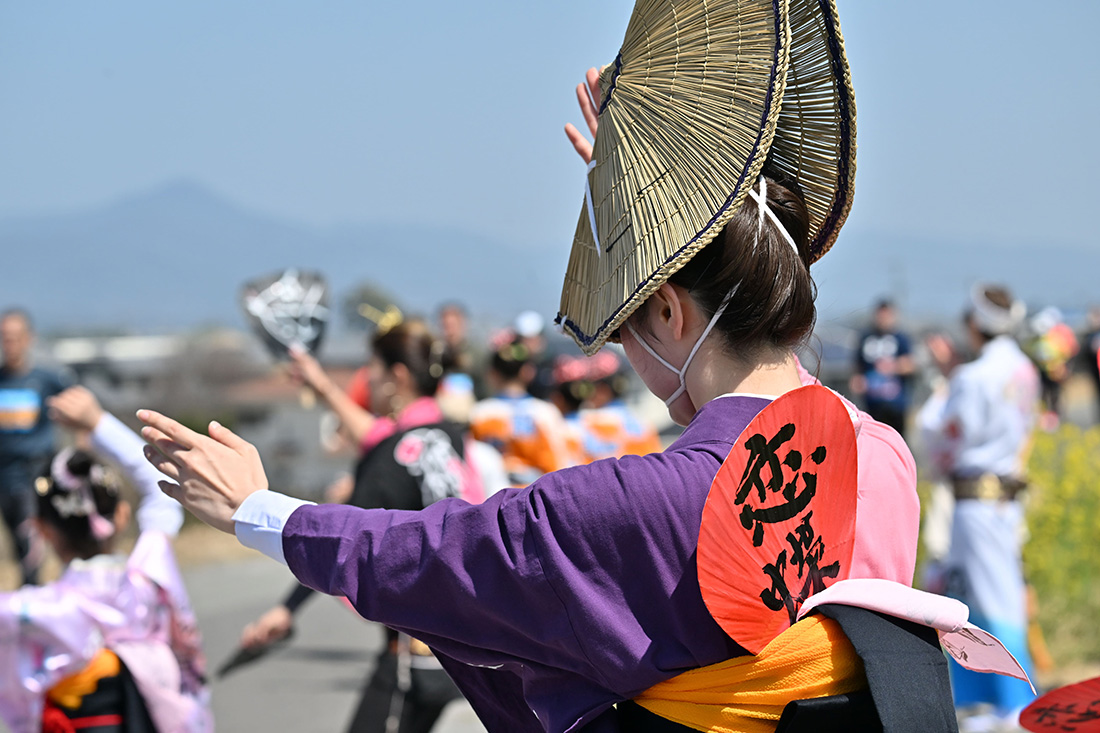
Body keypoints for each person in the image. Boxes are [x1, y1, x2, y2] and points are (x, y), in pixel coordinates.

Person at [135, 3, 1007, 729]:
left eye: (628, 319)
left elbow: (435, 555)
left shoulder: (644, 504)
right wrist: (642, 210)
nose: (624, 352)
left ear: (669, 308)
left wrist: (260, 511)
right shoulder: (882, 457)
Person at [240, 319, 502, 733]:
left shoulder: (390, 459)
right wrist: (321, 384)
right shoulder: (446, 435)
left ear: (397, 377)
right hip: (470, 624)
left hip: (417, 645)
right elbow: (381, 437)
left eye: (373, 372)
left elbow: (337, 538)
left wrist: (285, 609)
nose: (367, 383)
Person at [0, 386, 211, 733]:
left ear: (41, 529)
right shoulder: (148, 578)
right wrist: (98, 423)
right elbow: (161, 488)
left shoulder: (31, 612)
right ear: (122, 515)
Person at [923, 283, 1040, 732]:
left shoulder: (973, 378)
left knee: (987, 600)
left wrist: (946, 381)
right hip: (1006, 500)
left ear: (975, 325)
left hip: (975, 502)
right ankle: (994, 702)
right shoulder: (1025, 370)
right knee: (986, 594)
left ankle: (1010, 703)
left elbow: (941, 436)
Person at [0, 308, 74, 586]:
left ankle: (35, 595)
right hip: (4, 474)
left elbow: (79, 409)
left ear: (28, 339)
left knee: (31, 537)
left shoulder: (45, 380)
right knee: (18, 544)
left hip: (35, 472)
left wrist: (80, 452)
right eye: (4, 338)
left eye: (15, 337)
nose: (9, 344)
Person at [469, 335, 581, 485]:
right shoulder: (547, 412)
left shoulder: (479, 413)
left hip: (493, 499)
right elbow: (561, 463)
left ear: (492, 374)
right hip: (537, 499)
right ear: (528, 372)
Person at [849, 299, 915, 437]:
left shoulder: (901, 338)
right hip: (871, 405)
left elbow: (910, 365)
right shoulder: (865, 338)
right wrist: (857, 381)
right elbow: (857, 367)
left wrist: (892, 367)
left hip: (895, 404)